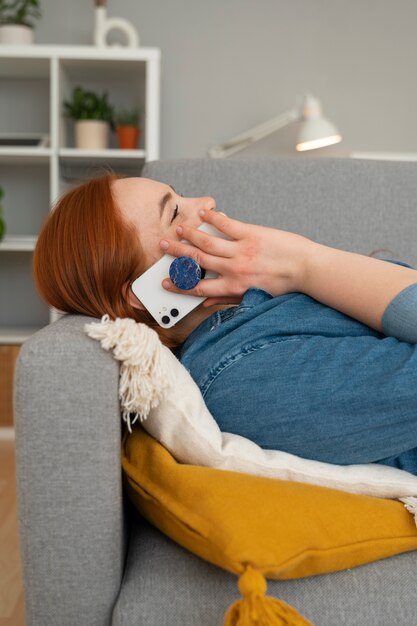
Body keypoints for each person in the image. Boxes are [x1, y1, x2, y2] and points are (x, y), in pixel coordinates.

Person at [33, 173, 417, 475]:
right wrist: (304, 263)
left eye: (179, 196)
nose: (206, 203)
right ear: (142, 293)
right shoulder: (240, 378)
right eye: (174, 213)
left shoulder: (260, 302)